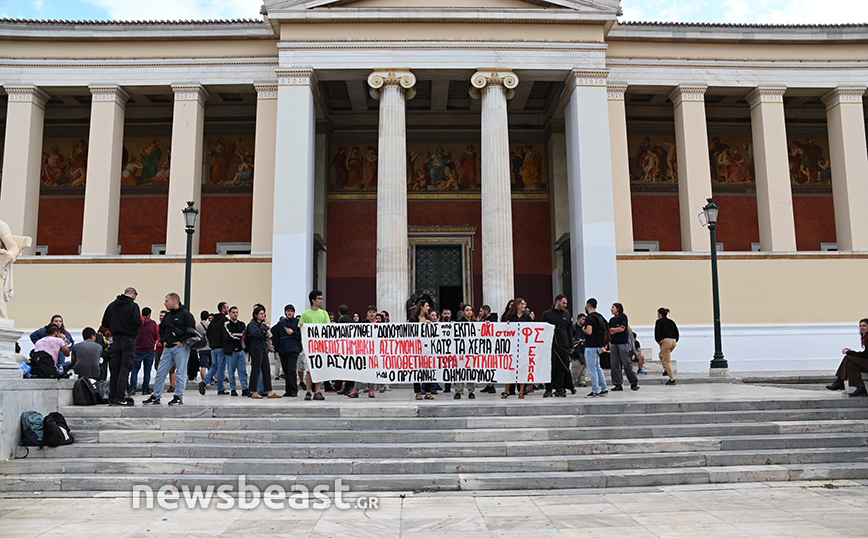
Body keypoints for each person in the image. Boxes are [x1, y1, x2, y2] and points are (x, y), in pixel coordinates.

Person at [143, 293, 194, 406]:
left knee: (180, 372)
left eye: (167, 301)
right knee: (160, 372)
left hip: (180, 348)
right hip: (168, 347)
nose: (165, 303)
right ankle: (156, 395)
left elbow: (191, 330)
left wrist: (182, 342)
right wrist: (164, 340)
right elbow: (162, 329)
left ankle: (178, 396)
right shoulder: (168, 316)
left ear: (174, 301)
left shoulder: (186, 315)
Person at [101, 287, 142, 406]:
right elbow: (138, 323)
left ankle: (112, 397)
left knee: (115, 370)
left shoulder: (112, 305)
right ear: (133, 295)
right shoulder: (133, 306)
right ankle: (120, 397)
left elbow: (105, 323)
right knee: (125, 369)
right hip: (129, 339)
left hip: (116, 339)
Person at [827, 318, 868, 397]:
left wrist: (850, 352)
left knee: (848, 357)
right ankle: (860, 387)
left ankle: (840, 381)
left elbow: (866, 355)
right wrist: (852, 352)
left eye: (864, 326)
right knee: (851, 365)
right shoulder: (866, 337)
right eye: (860, 326)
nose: (862, 328)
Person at [300, 290, 330, 400]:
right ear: (313, 300)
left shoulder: (324, 314)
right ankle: (308, 391)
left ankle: (317, 391)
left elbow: (328, 328)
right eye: (319, 299)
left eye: (322, 299)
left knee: (319, 368)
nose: (321, 300)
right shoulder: (306, 314)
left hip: (321, 346)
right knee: (309, 370)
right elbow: (301, 329)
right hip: (309, 346)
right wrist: (302, 327)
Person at [542, 294, 573, 398]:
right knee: (550, 368)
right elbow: (543, 329)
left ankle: (560, 388)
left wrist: (571, 345)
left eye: (566, 303)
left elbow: (569, 331)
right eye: (563, 303)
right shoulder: (547, 314)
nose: (565, 305)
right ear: (557, 302)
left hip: (563, 345)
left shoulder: (566, 315)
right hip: (550, 345)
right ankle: (548, 389)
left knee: (562, 368)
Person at [247, 306, 280, 399]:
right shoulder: (252, 324)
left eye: (264, 313)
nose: (263, 315)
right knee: (256, 370)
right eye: (261, 314)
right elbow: (256, 333)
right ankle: (253, 391)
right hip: (256, 349)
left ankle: (269, 391)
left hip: (263, 348)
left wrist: (268, 334)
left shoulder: (263, 325)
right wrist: (263, 327)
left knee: (266, 370)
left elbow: (264, 336)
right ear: (256, 315)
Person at [502, 298, 532, 399]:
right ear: (517, 305)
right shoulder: (509, 317)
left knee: (522, 368)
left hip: (524, 346)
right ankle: (507, 390)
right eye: (522, 304)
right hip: (512, 346)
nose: (524, 305)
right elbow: (502, 330)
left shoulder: (527, 317)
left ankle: (521, 391)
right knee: (510, 368)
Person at [271, 304, 302, 397]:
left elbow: (301, 336)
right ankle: (288, 390)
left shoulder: (297, 322)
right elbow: (276, 336)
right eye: (288, 311)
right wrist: (276, 350)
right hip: (283, 349)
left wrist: (293, 333)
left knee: (291, 369)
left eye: (291, 311)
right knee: (286, 370)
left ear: (294, 312)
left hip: (293, 349)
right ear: (285, 312)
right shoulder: (281, 323)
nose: (289, 313)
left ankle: (294, 390)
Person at [582, 298, 609, 398]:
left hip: (590, 346)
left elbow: (589, 331)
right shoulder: (600, 316)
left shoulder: (589, 318)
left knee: (592, 370)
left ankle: (595, 391)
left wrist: (583, 329)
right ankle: (604, 389)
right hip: (598, 346)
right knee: (598, 368)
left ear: (588, 306)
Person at [201, 302, 230, 395]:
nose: (228, 310)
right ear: (223, 309)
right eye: (227, 308)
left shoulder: (213, 321)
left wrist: (212, 342)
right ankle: (220, 388)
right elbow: (225, 334)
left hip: (213, 347)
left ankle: (204, 382)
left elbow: (208, 333)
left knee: (214, 366)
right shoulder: (224, 320)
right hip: (221, 347)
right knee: (221, 368)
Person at [608, 302, 638, 392]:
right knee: (614, 364)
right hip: (613, 343)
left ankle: (633, 382)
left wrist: (614, 329)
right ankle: (617, 384)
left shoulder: (623, 317)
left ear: (618, 308)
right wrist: (615, 330)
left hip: (623, 343)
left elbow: (622, 329)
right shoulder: (611, 320)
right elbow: (610, 331)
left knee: (627, 363)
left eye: (613, 307)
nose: (611, 309)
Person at [410, 299, 436, 400]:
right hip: (416, 349)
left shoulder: (430, 319)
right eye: (427, 306)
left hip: (428, 349)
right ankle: (418, 392)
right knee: (417, 371)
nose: (428, 308)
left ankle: (428, 392)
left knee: (428, 371)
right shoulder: (413, 319)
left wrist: (431, 325)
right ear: (421, 307)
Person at [131, 307, 159, 395]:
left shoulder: (137, 323)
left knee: (134, 370)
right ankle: (145, 388)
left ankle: (132, 388)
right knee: (147, 371)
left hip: (137, 349)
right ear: (150, 314)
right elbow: (156, 335)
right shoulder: (153, 323)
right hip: (149, 349)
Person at [222, 306, 249, 396]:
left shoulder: (242, 324)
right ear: (229, 313)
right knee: (231, 371)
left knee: (243, 371)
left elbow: (244, 335)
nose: (235, 314)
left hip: (240, 350)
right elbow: (228, 336)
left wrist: (236, 335)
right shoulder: (226, 324)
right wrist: (238, 336)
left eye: (237, 312)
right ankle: (233, 389)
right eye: (233, 312)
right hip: (231, 351)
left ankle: (245, 388)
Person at [654, 307, 679, 385]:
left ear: (660, 314)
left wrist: (659, 341)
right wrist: (675, 340)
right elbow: (676, 332)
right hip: (673, 341)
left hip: (665, 341)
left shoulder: (659, 321)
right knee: (661, 355)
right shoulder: (671, 321)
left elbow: (657, 332)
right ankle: (666, 369)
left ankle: (672, 379)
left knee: (667, 360)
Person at [571, 313, 588, 390]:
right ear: (579, 319)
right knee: (577, 366)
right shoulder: (573, 328)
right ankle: (572, 381)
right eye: (583, 319)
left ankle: (582, 380)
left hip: (585, 349)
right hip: (577, 349)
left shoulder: (586, 328)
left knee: (584, 366)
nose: (584, 321)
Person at [195, 310, 212, 383]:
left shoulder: (197, 326)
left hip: (202, 348)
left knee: (203, 366)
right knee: (212, 365)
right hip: (211, 347)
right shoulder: (211, 324)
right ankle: (213, 380)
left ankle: (204, 381)